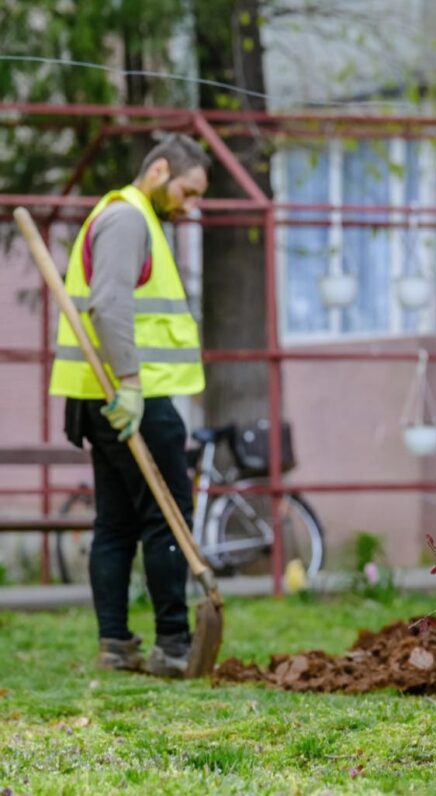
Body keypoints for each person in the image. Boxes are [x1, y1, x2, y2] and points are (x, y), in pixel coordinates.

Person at [51, 134, 210, 677]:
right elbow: (109, 302)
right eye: (188, 192)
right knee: (166, 516)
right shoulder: (128, 220)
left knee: (117, 523)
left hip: (108, 395)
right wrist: (131, 382)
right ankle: (172, 643)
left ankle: (117, 644)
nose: (190, 206)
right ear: (160, 169)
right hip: (131, 396)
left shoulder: (134, 218)